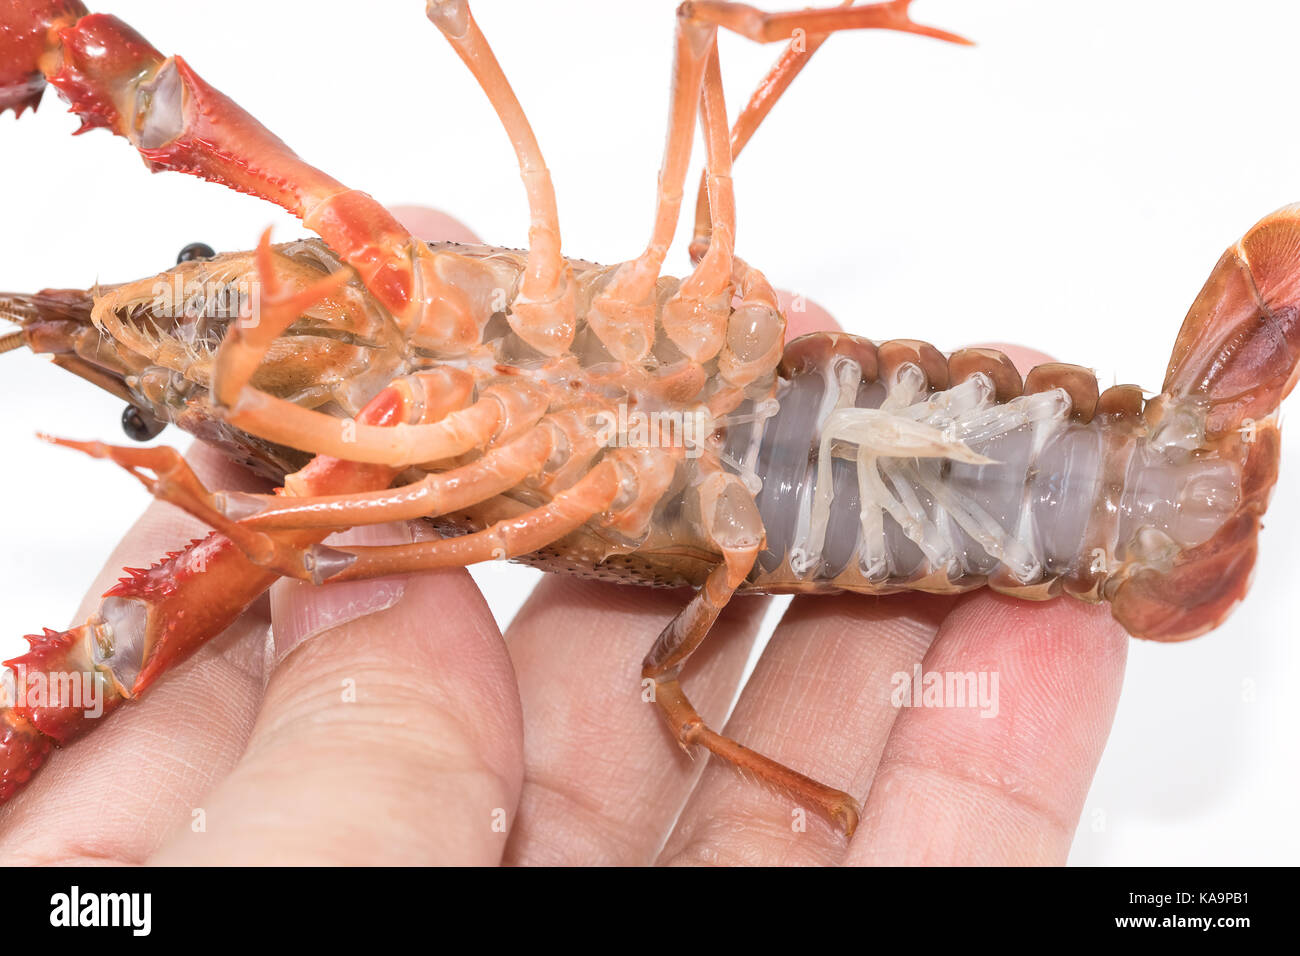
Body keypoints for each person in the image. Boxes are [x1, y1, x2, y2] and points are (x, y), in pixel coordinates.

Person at [0, 208, 1126, 866]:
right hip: (767, 520)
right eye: (149, 411)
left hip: (898, 446)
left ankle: (1123, 484)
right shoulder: (347, 459)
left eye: (206, 264)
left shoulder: (401, 281)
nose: (207, 312)